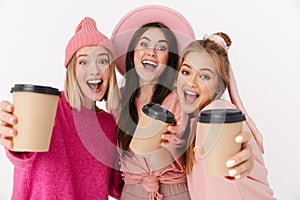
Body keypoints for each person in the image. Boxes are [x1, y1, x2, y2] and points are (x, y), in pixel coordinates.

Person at [0, 17, 123, 200]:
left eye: (103, 61)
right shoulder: (48, 105)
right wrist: (12, 131)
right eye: (83, 62)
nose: (95, 70)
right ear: (72, 70)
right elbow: (22, 154)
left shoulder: (110, 125)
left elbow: (119, 186)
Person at [175, 32, 275, 199]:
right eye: (186, 72)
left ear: (218, 87)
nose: (191, 82)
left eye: (204, 76)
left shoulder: (215, 113)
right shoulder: (192, 122)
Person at [111, 5, 195, 200]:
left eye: (162, 48)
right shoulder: (118, 101)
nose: (152, 52)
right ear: (132, 53)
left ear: (169, 59)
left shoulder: (182, 102)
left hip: (176, 192)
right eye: (144, 44)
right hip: (132, 192)